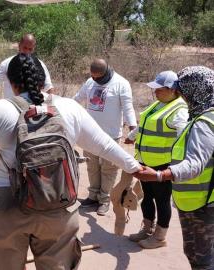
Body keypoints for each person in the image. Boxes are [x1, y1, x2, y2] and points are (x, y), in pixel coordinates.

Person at [0, 53, 142, 270]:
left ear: (11, 82)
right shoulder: (69, 108)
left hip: (7, 205)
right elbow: (105, 145)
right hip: (58, 205)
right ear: (43, 81)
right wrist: (136, 168)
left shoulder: (0, 110)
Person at [134, 66, 214, 270]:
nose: (182, 96)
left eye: (183, 92)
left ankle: (159, 235)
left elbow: (195, 163)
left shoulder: (203, 122)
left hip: (200, 202)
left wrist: (161, 174)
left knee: (200, 258)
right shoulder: (204, 114)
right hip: (198, 197)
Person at [125, 71, 188, 248]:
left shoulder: (180, 110)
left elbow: (183, 136)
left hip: (162, 165)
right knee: (147, 197)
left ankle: (160, 237)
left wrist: (177, 164)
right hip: (145, 160)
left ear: (172, 90)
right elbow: (145, 123)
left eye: (159, 90)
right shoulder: (158, 104)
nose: (155, 93)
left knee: (161, 200)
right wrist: (131, 135)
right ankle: (147, 228)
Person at [73, 58, 137, 215]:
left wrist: (133, 130)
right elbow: (77, 99)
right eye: (93, 76)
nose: (95, 79)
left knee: (109, 169)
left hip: (111, 135)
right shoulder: (90, 82)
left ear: (107, 71)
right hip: (89, 134)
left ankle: (104, 199)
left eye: (98, 77)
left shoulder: (121, 83)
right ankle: (93, 196)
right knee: (92, 166)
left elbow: (128, 108)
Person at [0, 33, 54, 102]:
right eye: (25, 47)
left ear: (34, 49)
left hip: (34, 109)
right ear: (19, 45)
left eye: (30, 49)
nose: (27, 51)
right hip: (13, 109)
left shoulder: (39, 65)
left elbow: (49, 88)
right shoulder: (7, 64)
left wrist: (51, 106)